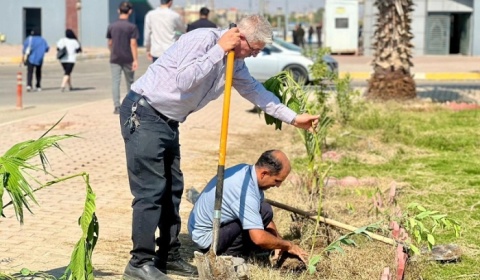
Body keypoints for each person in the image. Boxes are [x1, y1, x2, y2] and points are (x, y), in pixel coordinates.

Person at [119, 14, 319, 280]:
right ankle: (139, 263)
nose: (254, 56)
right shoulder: (204, 41)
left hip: (168, 123)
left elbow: (256, 92)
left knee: (172, 190)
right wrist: (219, 50)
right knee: (151, 192)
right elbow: (183, 81)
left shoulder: (235, 63)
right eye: (254, 49)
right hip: (144, 114)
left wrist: (294, 118)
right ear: (240, 36)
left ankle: (167, 256)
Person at [188, 150, 309, 263]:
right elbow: (259, 238)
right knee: (258, 228)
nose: (278, 186)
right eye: (277, 180)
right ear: (264, 174)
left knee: (265, 210)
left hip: (214, 226)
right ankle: (229, 254)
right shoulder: (244, 192)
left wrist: (279, 243)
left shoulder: (246, 172)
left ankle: (244, 249)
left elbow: (262, 215)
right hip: (208, 239)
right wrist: (288, 245)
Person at [106, 1, 139, 114]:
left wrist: (112, 52)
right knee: (130, 82)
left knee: (116, 82)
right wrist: (135, 59)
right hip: (128, 58)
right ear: (130, 11)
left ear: (118, 11)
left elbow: (110, 43)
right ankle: (130, 106)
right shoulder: (132, 27)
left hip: (115, 57)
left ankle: (117, 106)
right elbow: (133, 43)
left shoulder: (112, 26)